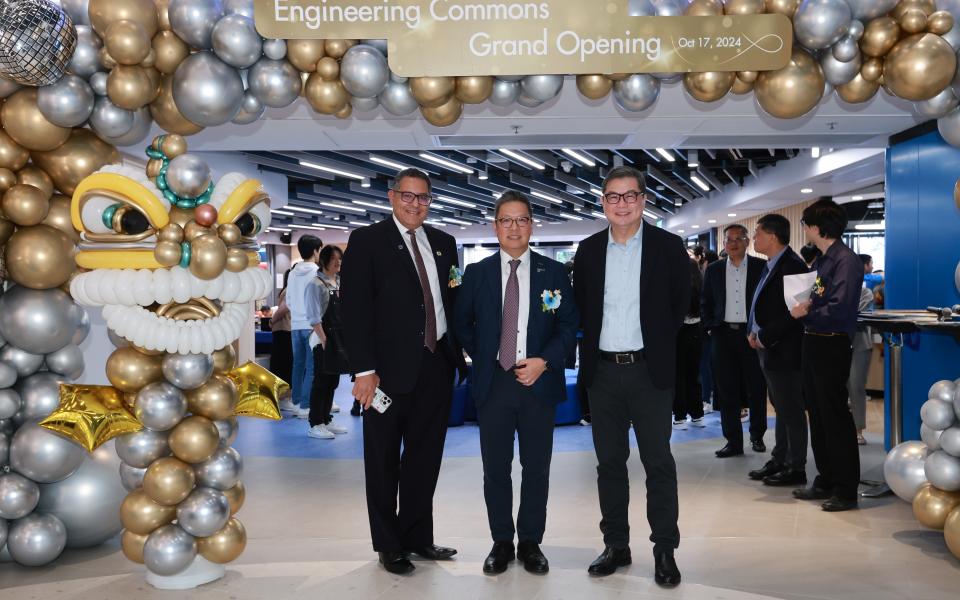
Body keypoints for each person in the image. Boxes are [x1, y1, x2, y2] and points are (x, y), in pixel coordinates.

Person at [341, 168, 466, 575]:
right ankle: (388, 544)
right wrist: (363, 370)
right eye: (408, 196)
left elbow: (453, 304)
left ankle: (416, 537)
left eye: (424, 197)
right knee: (382, 461)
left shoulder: (445, 244)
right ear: (392, 197)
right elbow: (354, 310)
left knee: (424, 458)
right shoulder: (367, 241)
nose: (416, 204)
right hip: (385, 375)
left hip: (436, 365)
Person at [573, 166, 688, 587]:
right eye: (613, 197)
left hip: (649, 372)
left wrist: (653, 347)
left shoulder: (668, 247)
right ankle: (616, 545)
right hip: (602, 373)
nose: (622, 204)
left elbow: (677, 308)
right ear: (603, 203)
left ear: (643, 200)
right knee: (609, 465)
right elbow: (583, 308)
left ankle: (664, 549)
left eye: (630, 196)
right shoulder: (587, 251)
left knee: (658, 462)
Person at [453, 191, 578, 576]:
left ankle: (531, 542)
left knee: (537, 468)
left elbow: (569, 325)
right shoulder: (478, 273)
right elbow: (462, 324)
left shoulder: (552, 272)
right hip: (494, 384)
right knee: (496, 469)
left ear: (531, 225)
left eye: (521, 219)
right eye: (506, 220)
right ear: (495, 226)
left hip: (537, 383)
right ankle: (501, 541)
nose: (514, 227)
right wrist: (489, 354)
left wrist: (544, 361)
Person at [789, 198, 863, 512]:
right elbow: (817, 297)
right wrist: (805, 308)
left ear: (817, 227)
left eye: (805, 224)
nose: (804, 230)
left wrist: (804, 313)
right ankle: (827, 478)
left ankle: (846, 489)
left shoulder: (846, 260)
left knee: (834, 416)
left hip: (831, 343)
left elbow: (838, 308)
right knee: (817, 414)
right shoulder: (824, 259)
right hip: (813, 342)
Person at [746, 214, 810, 487]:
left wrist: (764, 336)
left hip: (784, 350)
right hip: (769, 348)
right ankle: (780, 459)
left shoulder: (793, 265)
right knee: (782, 409)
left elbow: (796, 313)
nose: (754, 238)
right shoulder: (772, 264)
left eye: (757, 233)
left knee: (791, 411)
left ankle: (796, 468)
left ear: (772, 236)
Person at [701, 225, 768, 457]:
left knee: (756, 387)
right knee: (726, 389)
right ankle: (733, 441)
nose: (733, 243)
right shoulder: (714, 270)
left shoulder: (761, 267)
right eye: (728, 239)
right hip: (723, 334)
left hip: (751, 336)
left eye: (738, 238)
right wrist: (710, 328)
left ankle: (757, 436)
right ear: (723, 244)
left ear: (747, 241)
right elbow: (706, 301)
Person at [307, 245, 349, 440]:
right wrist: (324, 340)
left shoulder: (338, 282)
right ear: (324, 261)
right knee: (321, 382)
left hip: (338, 339)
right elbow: (314, 317)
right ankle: (315, 423)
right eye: (334, 259)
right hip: (322, 339)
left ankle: (327, 418)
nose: (338, 262)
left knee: (333, 381)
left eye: (340, 259)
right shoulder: (315, 284)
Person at [286, 235, 324, 419]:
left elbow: (289, 301)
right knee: (312, 367)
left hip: (295, 325)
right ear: (316, 251)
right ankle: (306, 406)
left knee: (298, 365)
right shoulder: (317, 272)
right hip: (312, 326)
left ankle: (295, 402)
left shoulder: (292, 272)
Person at [673, 258, 705, 430]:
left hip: (679, 332)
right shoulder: (700, 286)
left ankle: (679, 416)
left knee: (679, 375)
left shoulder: (677, 287)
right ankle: (697, 415)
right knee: (694, 374)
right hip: (697, 331)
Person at [849, 284, 875, 445]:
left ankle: (858, 430)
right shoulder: (833, 287)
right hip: (835, 344)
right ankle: (841, 428)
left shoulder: (865, 292)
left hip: (859, 344)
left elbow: (851, 312)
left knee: (856, 387)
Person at [272, 269, 294, 411]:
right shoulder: (289, 291)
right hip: (284, 330)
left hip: (284, 330)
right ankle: (284, 398)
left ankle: (284, 397)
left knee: (283, 364)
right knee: (284, 365)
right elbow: (283, 309)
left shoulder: (286, 290)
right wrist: (272, 320)